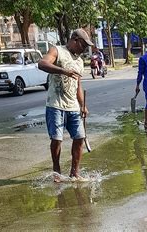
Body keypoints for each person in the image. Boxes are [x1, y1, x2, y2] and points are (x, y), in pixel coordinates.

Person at [38, 28, 93, 182]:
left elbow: (78, 85)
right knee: (57, 139)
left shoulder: (80, 61)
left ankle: (74, 172)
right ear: (75, 40)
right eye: (83, 45)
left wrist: (82, 105)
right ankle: (57, 170)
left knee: (79, 138)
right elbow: (42, 63)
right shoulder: (57, 51)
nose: (84, 49)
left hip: (73, 106)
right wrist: (63, 71)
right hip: (56, 104)